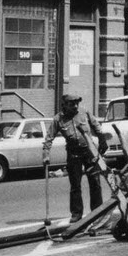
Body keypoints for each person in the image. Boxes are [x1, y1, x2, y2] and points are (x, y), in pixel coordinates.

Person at [43, 93, 105, 222]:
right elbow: (49, 138)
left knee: (95, 182)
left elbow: (96, 125)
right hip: (73, 153)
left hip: (89, 151)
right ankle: (76, 214)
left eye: (77, 104)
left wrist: (102, 139)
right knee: (75, 185)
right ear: (64, 105)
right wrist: (46, 155)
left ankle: (98, 212)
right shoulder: (58, 119)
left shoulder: (84, 112)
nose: (75, 106)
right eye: (72, 104)